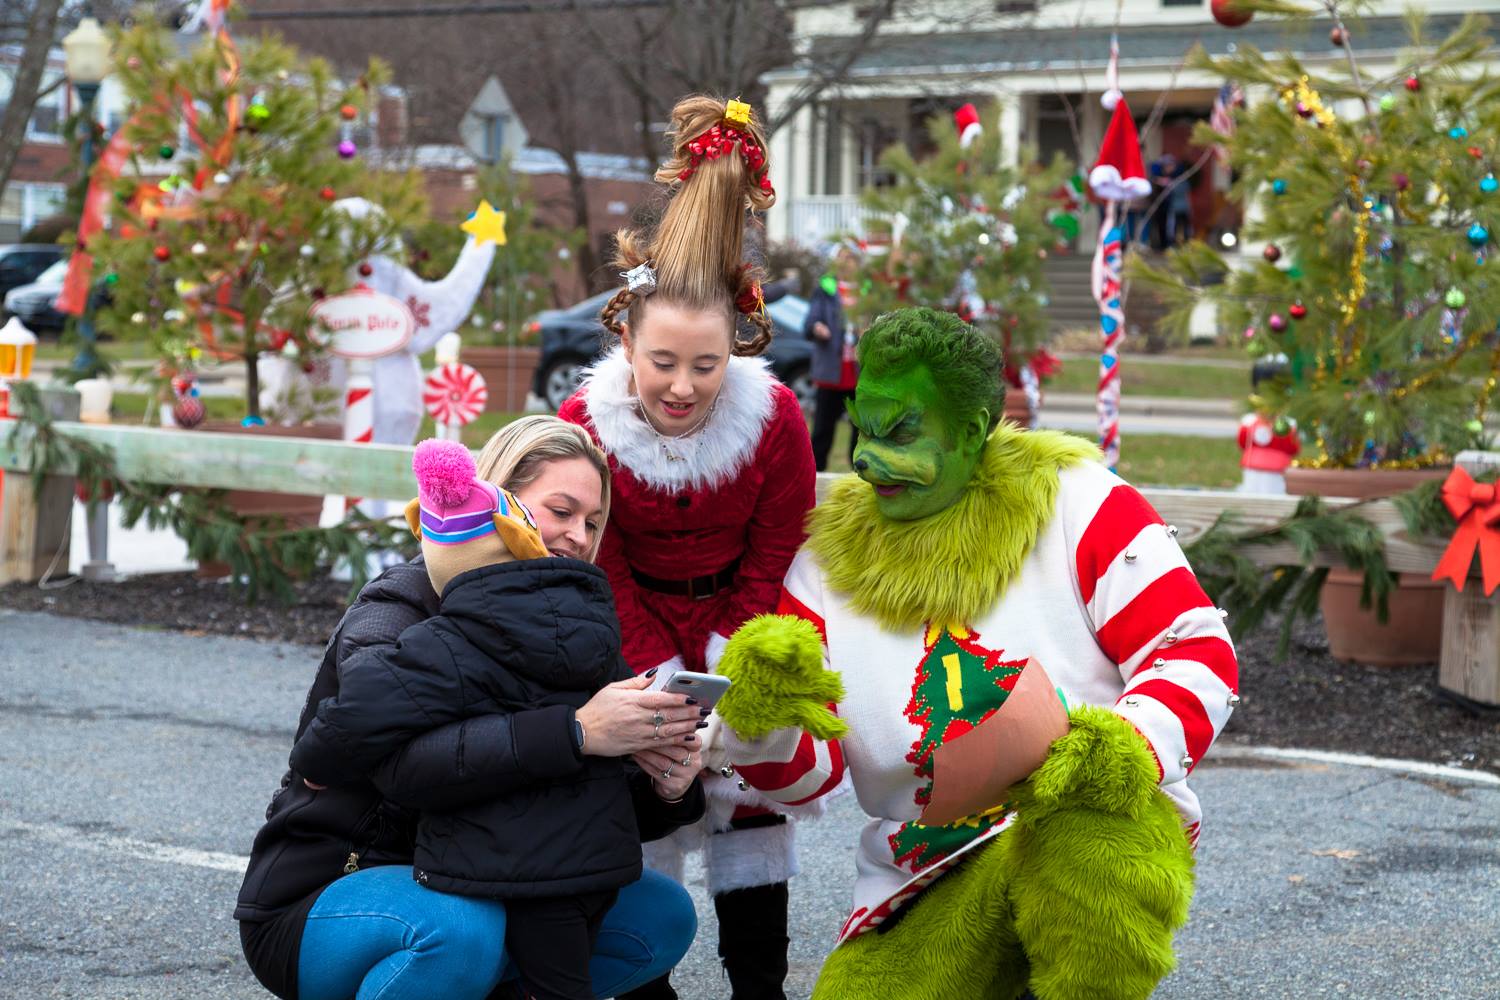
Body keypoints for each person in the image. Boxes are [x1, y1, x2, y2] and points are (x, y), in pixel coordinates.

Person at [708, 308, 1238, 999]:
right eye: (863, 430)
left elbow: (1196, 651)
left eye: (899, 433)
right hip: (926, 875)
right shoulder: (821, 567)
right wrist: (761, 721)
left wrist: (1122, 747)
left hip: (1092, 822)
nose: (865, 460)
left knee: (1086, 846)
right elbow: (813, 777)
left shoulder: (1080, 501)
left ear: (971, 432)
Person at [235, 415, 709, 1000]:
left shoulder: (568, 627)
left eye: (592, 523)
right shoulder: (397, 607)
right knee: (458, 929)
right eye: (560, 512)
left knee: (661, 912)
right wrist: (578, 732)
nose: (579, 538)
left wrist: (667, 784)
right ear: (496, 498)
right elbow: (401, 771)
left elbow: (576, 822)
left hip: (490, 878)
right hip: (337, 885)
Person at [558, 94, 817, 1000]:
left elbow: (778, 541)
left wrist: (724, 662)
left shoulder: (774, 415)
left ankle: (759, 983)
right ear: (626, 337)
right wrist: (658, 671)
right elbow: (596, 550)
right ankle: (641, 978)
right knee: (646, 791)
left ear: (737, 347)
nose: (680, 385)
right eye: (662, 361)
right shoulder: (581, 422)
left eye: (705, 366)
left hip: (740, 615)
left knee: (746, 800)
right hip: (625, 620)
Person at [806, 245, 862, 471]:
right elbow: (811, 321)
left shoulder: (868, 289)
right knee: (822, 429)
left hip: (858, 373)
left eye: (850, 258)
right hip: (831, 371)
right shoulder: (826, 288)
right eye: (842, 258)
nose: (846, 262)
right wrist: (818, 327)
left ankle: (858, 474)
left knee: (860, 429)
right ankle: (814, 474)